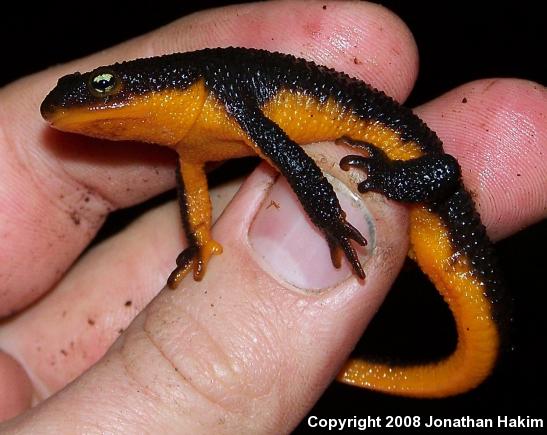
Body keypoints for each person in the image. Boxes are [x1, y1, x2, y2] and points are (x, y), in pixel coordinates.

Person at [0, 1, 545, 432]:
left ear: (163, 81)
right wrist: (202, 242)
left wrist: (329, 218)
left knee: (433, 172)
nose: (103, 108)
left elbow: (290, 154)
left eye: (107, 88)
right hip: (411, 218)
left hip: (424, 187)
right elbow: (195, 190)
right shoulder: (187, 143)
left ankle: (385, 187)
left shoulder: (216, 89)